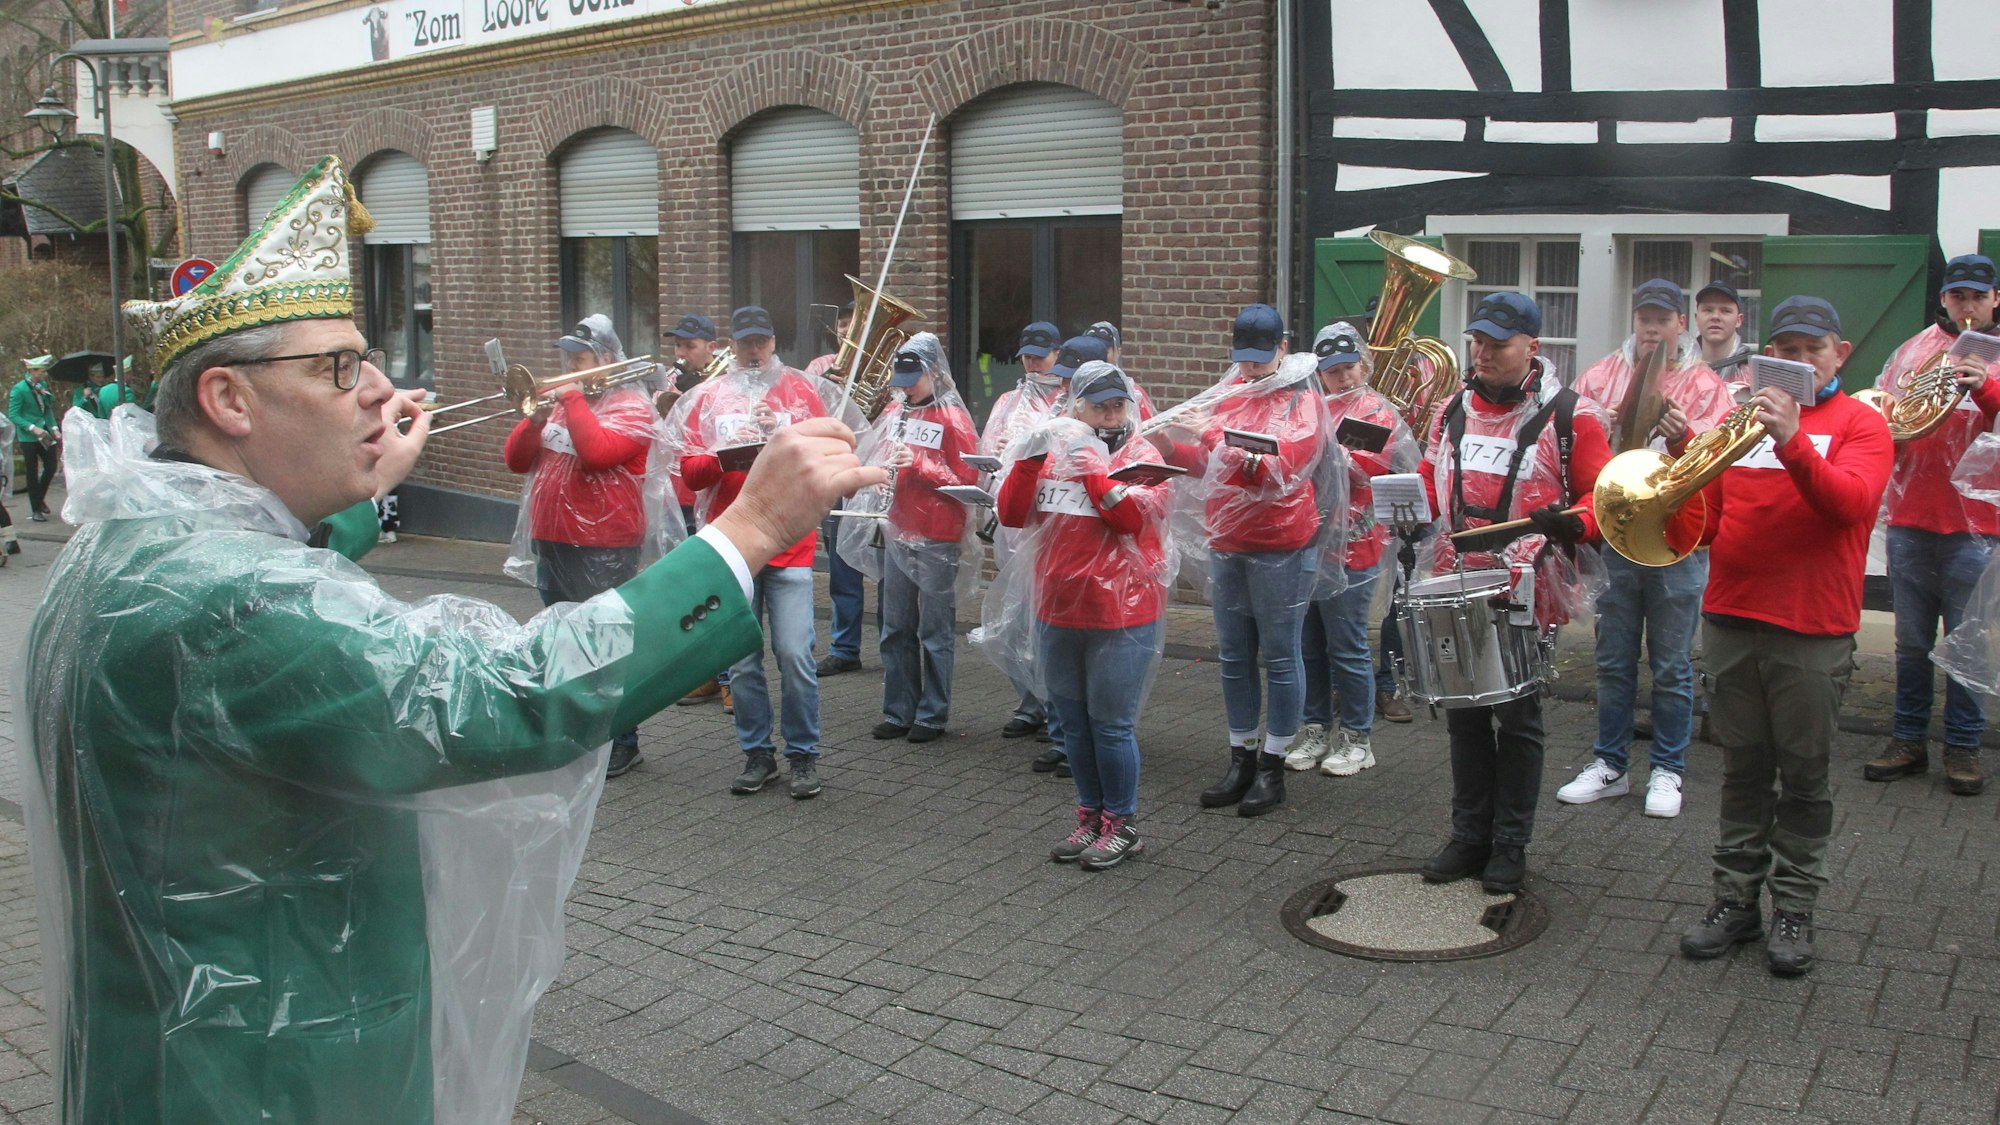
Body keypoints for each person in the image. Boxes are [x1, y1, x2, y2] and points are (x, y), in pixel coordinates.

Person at [23, 156, 879, 1122]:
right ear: (230, 401)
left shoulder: (130, 544)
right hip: (264, 1082)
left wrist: (355, 488)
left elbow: (277, 587)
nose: (382, 387)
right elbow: (508, 692)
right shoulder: (227, 598)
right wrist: (751, 529)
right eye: (339, 367)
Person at [1676, 296, 1893, 977]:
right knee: (1742, 768)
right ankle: (1734, 898)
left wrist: (1793, 438)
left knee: (1802, 776)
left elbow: (1849, 506)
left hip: (1811, 625)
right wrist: (1675, 470)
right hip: (1734, 615)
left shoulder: (1863, 423)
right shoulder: (1739, 425)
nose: (1798, 362)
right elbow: (1708, 522)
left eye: (1811, 349)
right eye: (1786, 350)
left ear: (1840, 353)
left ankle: (1794, 904)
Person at [1415, 292, 1611, 894]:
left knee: (1518, 717)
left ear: (1533, 348)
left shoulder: (1571, 415)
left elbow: (1604, 499)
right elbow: (1430, 478)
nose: (1484, 352)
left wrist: (1575, 523)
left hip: (1528, 585)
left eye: (1498, 344)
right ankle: (1468, 834)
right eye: (1478, 341)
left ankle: (1510, 845)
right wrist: (1401, 506)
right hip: (1457, 576)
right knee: (1464, 715)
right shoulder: (1452, 407)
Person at [1558, 279, 1733, 818]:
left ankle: (1668, 770)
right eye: (1644, 318)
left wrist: (1683, 437)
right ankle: (1610, 763)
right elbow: (1569, 445)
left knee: (1673, 665)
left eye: (1663, 319)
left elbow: (1722, 461)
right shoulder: (1600, 376)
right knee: (1612, 660)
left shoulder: (1706, 384)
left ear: (1683, 323)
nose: (1652, 328)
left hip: (1679, 539)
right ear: (1634, 322)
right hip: (1617, 537)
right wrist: (1599, 430)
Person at [1152, 304, 1333, 818]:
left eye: (1260, 358)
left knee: (1279, 655)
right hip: (1228, 538)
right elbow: (1211, 466)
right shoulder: (1231, 392)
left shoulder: (1302, 399)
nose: (1250, 369)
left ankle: (1274, 764)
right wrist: (1169, 444)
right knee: (1233, 656)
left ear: (1282, 348)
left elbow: (1277, 470)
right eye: (1243, 359)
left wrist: (1208, 432)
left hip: (1281, 541)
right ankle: (1241, 756)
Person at [994, 364, 1176, 868]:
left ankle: (1123, 824)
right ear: (1075, 406)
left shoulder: (1143, 456)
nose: (1111, 413)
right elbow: (1011, 514)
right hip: (1058, 605)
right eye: (1099, 405)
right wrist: (1030, 459)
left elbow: (1132, 519)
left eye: (1117, 404)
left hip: (1123, 610)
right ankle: (1090, 816)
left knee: (1111, 725)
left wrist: (1094, 469)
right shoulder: (1055, 451)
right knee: (1072, 723)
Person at [670, 305, 833, 798]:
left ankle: (803, 754)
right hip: (734, 544)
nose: (754, 350)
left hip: (789, 541)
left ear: (774, 341)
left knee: (795, 653)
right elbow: (690, 473)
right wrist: (727, 453)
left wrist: (783, 437)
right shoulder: (711, 397)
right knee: (741, 661)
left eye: (761, 341)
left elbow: (830, 452)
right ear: (732, 345)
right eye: (745, 342)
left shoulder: (802, 389)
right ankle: (757, 754)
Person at [1862, 254, 2000, 797]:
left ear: (1995, 300)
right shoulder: (1914, 350)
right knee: (1911, 642)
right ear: (1944, 298)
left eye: (1976, 297)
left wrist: (1983, 386)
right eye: (1957, 296)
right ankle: (1908, 739)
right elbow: (1887, 413)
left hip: (1978, 526)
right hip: (1912, 518)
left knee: (1969, 641)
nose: (1966, 306)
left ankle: (1963, 746)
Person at [500, 313, 657, 778]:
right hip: (551, 538)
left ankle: (622, 740)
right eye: (566, 357)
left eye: (580, 357)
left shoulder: (632, 404)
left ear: (606, 360)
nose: (569, 364)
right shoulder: (565, 404)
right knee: (562, 641)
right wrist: (533, 422)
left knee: (606, 645)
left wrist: (568, 396)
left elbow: (597, 454)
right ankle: (577, 734)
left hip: (604, 544)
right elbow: (515, 461)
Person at [1287, 322, 1418, 776]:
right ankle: (1317, 729)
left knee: (1347, 645)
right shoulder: (1309, 407)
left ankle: (1358, 738)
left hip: (1357, 544)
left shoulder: (1377, 411)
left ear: (1364, 364)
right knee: (1309, 645)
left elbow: (1376, 465)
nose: (1341, 378)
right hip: (1309, 542)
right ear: (1318, 373)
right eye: (1332, 371)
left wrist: (1321, 452)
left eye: (1348, 368)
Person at [840, 333, 979, 742]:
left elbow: (970, 478)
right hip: (897, 529)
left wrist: (919, 464)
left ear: (934, 373)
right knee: (895, 625)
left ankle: (933, 714)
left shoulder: (953, 418)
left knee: (934, 631)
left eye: (912, 377)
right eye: (900, 378)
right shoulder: (896, 411)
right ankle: (899, 709)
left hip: (938, 533)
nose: (904, 385)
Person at [981, 321, 1067, 748]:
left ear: (1058, 353)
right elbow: (991, 449)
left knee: (1045, 621)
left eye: (1041, 355)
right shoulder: (1008, 401)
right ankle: (1028, 703)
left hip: (1047, 525)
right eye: (1027, 356)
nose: (1033, 364)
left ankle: (1056, 710)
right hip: (1009, 523)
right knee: (1015, 619)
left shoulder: (1067, 400)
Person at [663, 311, 733, 710]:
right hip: (682, 494)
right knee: (693, 592)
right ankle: (707, 671)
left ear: (711, 346)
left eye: (689, 346)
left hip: (714, 497)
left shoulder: (727, 384)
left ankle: (732, 680)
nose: (681, 353)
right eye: (677, 346)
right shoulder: (676, 382)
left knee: (719, 589)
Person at [807, 303, 872, 678]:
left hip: (874, 475)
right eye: (843, 325)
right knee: (841, 568)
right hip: (838, 473)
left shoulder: (886, 367)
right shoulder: (820, 367)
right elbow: (811, 413)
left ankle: (896, 641)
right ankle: (845, 647)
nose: (847, 331)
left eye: (855, 325)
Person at [9, 354, 59, 521]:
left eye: (44, 371)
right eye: (41, 371)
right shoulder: (19, 389)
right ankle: (35, 508)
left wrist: (54, 428)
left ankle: (39, 498)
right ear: (32, 371)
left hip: (45, 433)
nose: (44, 374)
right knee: (32, 472)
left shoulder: (42, 386)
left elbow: (47, 409)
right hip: (28, 437)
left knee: (51, 466)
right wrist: (32, 427)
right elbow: (13, 415)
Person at [1694, 282, 1750, 374]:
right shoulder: (1679, 367)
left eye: (1725, 311)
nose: (1715, 316)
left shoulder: (1751, 371)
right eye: (1708, 310)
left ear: (1739, 320)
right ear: (1696, 318)